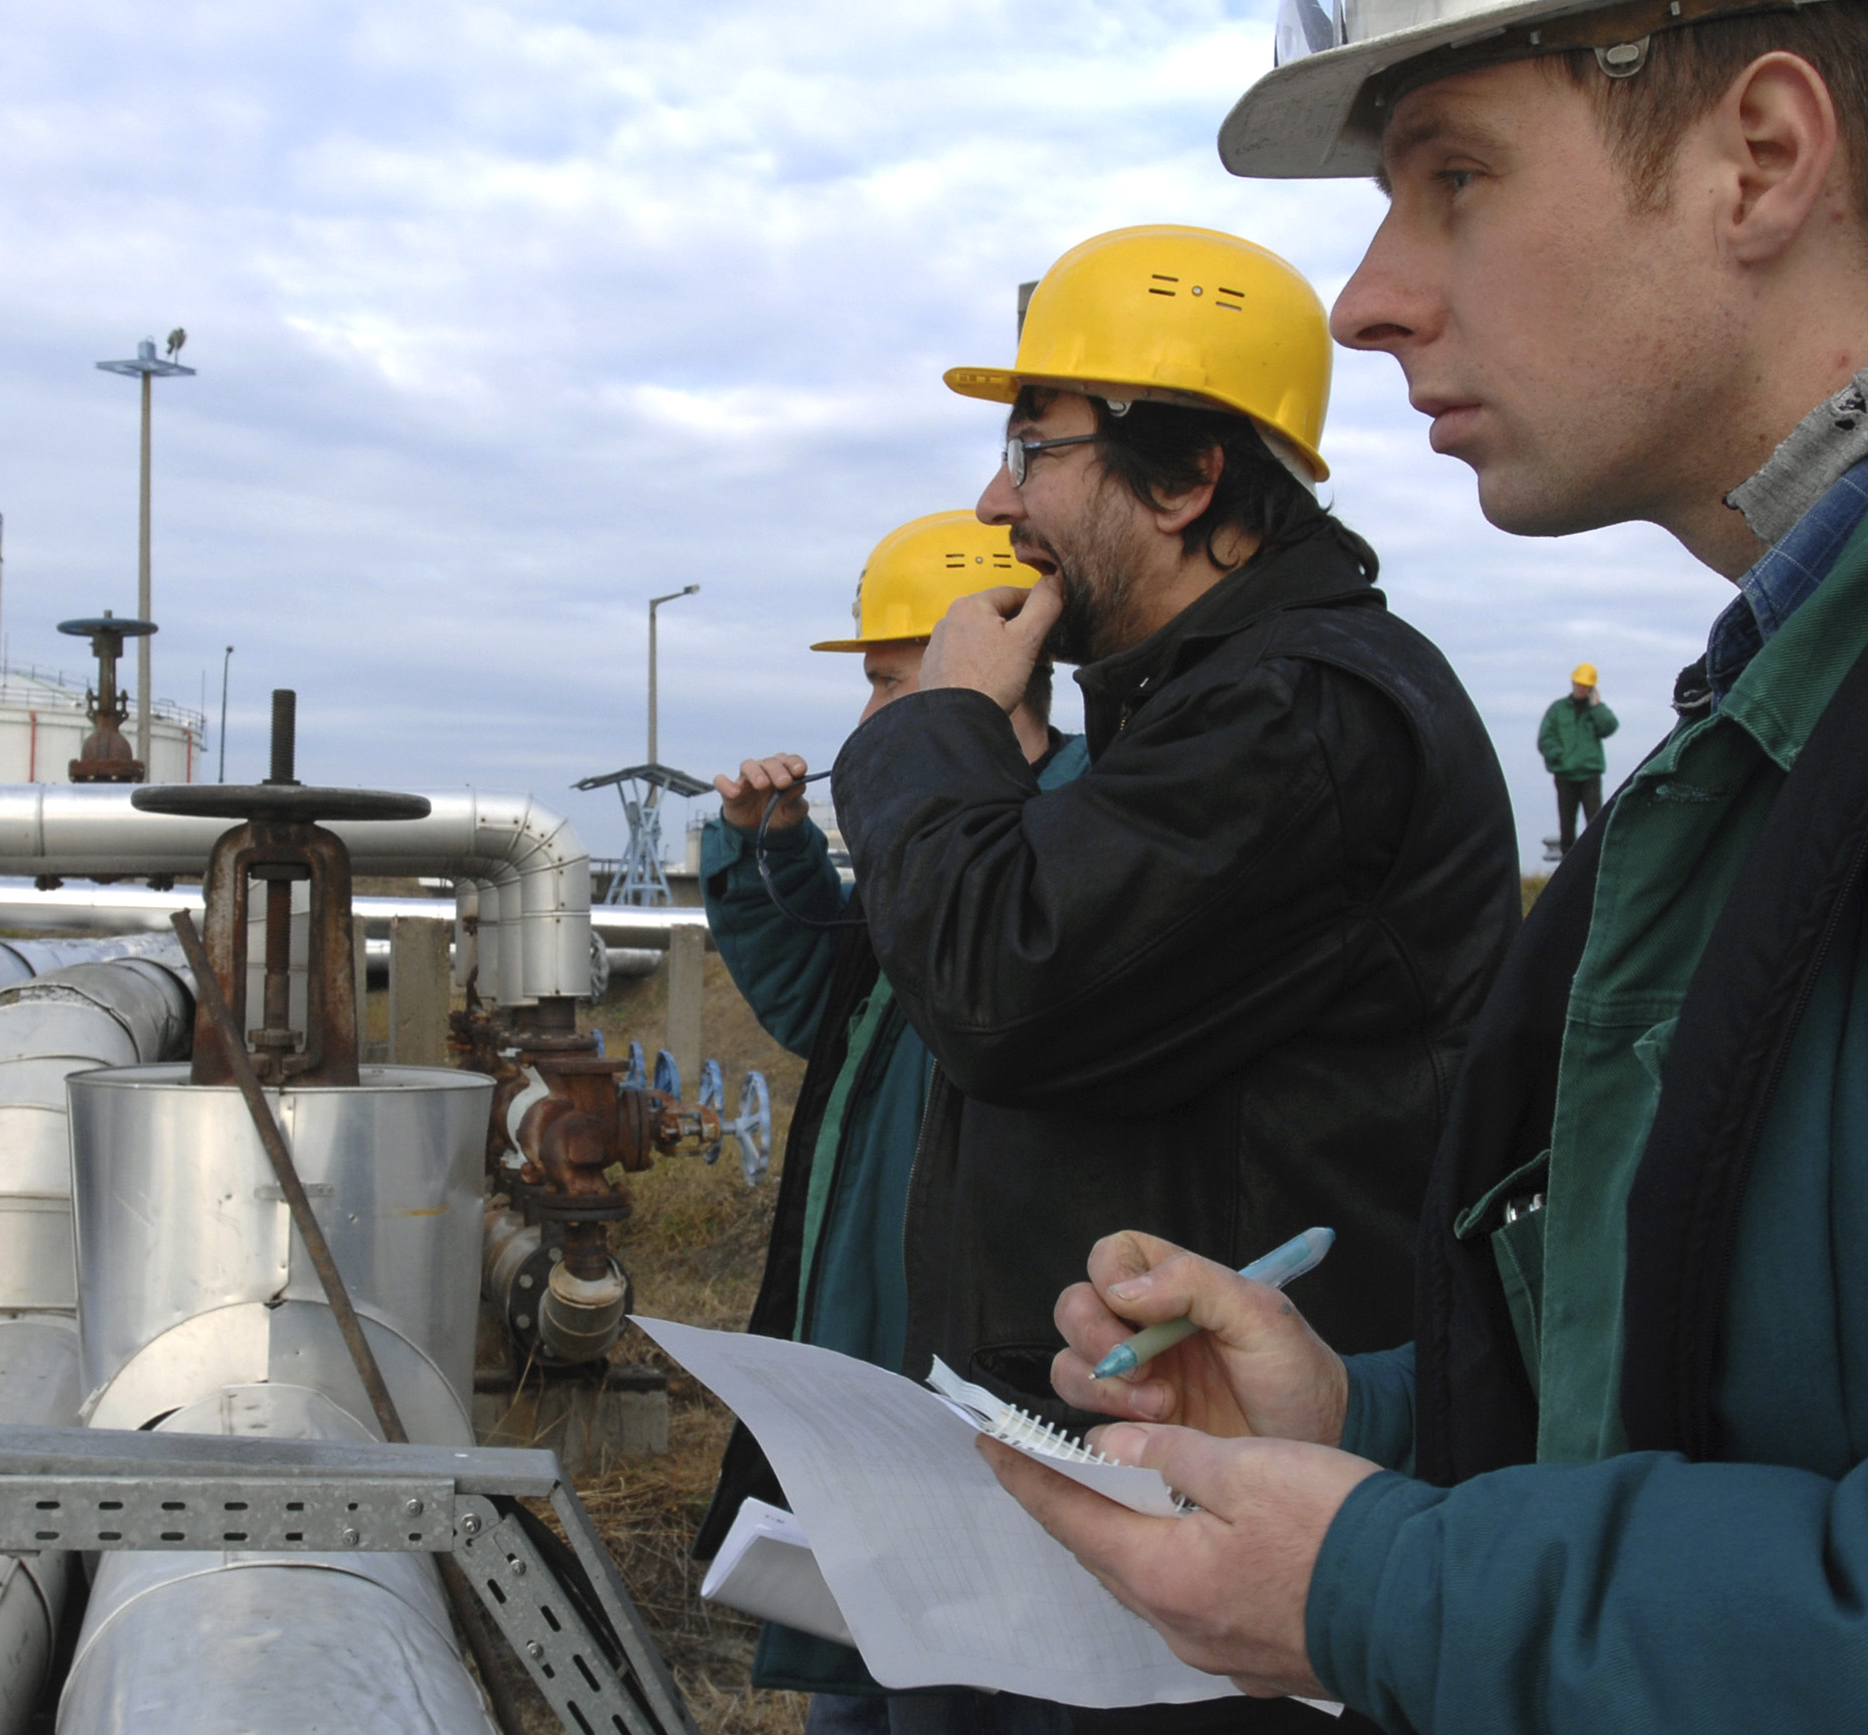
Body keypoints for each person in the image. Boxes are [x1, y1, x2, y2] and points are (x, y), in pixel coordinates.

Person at [984, 10, 1868, 1733]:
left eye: (1455, 176)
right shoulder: (1764, 717)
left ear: (1760, 159)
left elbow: (1001, 976)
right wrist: (1361, 1421)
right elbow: (1732, 1410)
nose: (1362, 300)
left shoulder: (1327, 710)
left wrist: (1393, 1584)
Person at [825, 225, 1520, 1730]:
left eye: (1034, 447)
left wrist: (937, 725)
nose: (996, 502)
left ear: (1187, 475)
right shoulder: (1199, 707)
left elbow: (996, 983)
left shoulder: (1298, 714)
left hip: (1221, 1514)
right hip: (1129, 1458)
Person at [692, 514, 1085, 1734]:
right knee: (866, 1682)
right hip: (873, 1366)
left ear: (997, 666)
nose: (866, 718)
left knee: (967, 1683)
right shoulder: (941, 845)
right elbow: (837, 1016)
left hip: (986, 1384)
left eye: (890, 682)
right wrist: (768, 861)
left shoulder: (1079, 832)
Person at [1537, 663, 1618, 858]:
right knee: (1567, 826)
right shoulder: (1558, 709)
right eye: (1579, 684)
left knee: (1595, 822)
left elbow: (1610, 727)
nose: (1581, 688)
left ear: (1592, 687)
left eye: (1586, 685)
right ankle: (1567, 864)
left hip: (1590, 774)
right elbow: (1545, 738)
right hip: (1565, 775)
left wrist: (1596, 707)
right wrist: (1558, 756)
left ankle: (1594, 862)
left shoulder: (1597, 710)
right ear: (1573, 683)